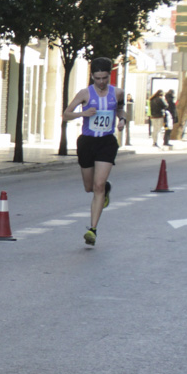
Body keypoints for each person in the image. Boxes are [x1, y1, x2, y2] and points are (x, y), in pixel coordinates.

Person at [63, 57, 125, 247]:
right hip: (87, 142)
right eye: (97, 78)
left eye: (104, 78)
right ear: (92, 76)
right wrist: (83, 113)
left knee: (97, 186)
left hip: (107, 142)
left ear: (109, 76)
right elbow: (66, 114)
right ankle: (105, 190)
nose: (101, 82)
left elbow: (121, 109)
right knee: (89, 187)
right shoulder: (84, 93)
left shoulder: (118, 92)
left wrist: (122, 120)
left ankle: (93, 230)